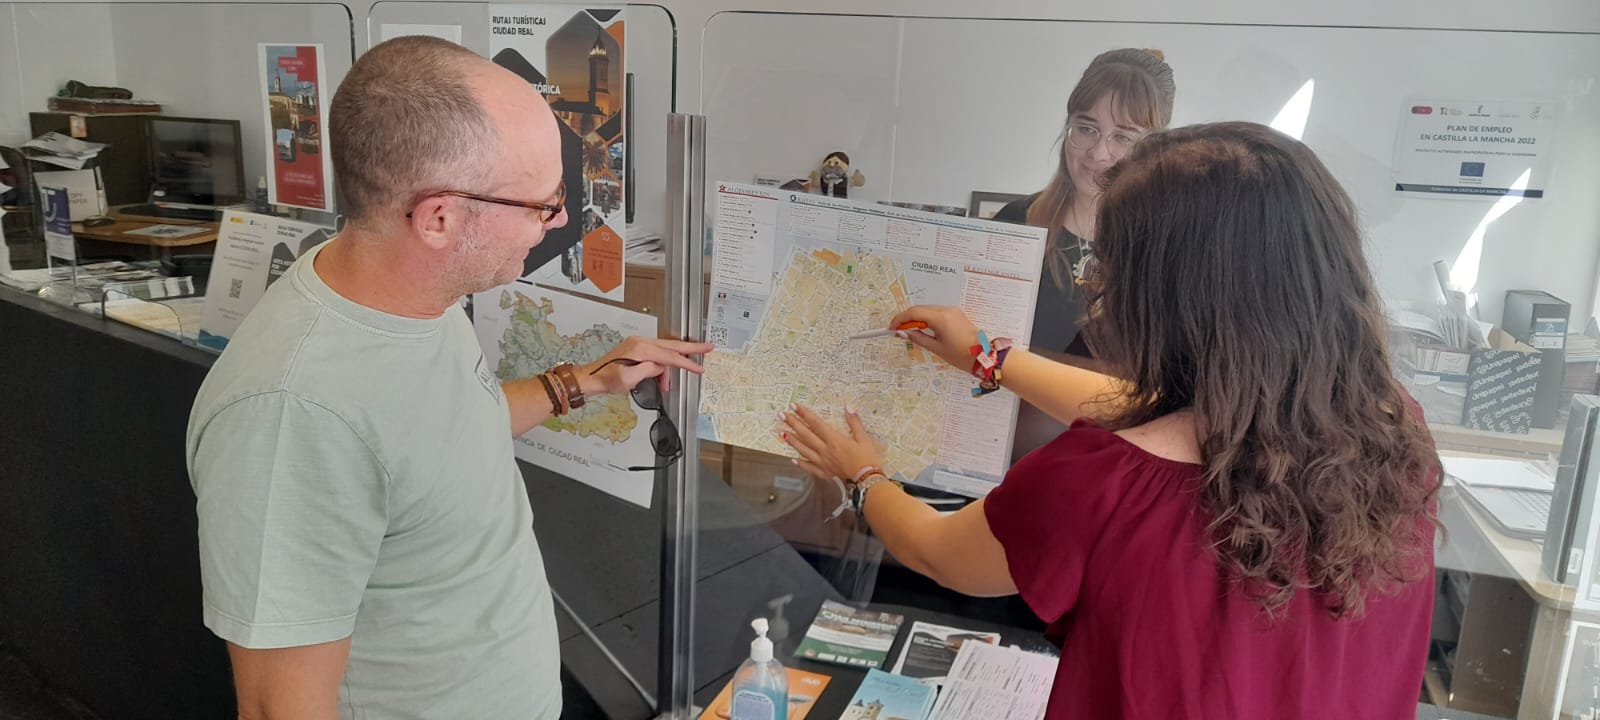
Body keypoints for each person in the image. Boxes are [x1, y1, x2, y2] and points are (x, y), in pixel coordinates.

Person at [780, 122, 1440, 719]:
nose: (1098, 282)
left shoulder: (1099, 482)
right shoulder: (1395, 434)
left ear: (1168, 297)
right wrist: (986, 357)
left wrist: (860, 473)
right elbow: (1154, 416)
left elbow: (941, 553)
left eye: (1110, 263)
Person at [185, 36, 712, 719]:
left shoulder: (415, 297)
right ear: (439, 217)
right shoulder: (291, 414)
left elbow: (439, 438)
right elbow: (277, 706)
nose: (554, 223)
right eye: (542, 205)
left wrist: (586, 382)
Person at [993, 47, 1175, 361]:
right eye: (1087, 129)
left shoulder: (1169, 245)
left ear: (1154, 146)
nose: (1099, 154)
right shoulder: (1017, 221)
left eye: (1123, 137)